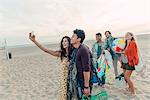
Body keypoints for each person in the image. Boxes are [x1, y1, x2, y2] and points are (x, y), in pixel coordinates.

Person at [29, 32, 73, 100]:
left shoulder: (74, 53)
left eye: (66, 41)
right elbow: (46, 50)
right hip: (64, 81)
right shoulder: (61, 54)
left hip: (72, 81)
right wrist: (34, 41)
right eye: (62, 41)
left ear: (69, 42)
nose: (63, 43)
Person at [71, 29, 92, 99]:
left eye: (73, 36)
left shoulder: (83, 50)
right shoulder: (77, 49)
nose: (71, 38)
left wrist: (86, 86)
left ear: (79, 39)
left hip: (84, 82)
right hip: (79, 80)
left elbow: (87, 70)